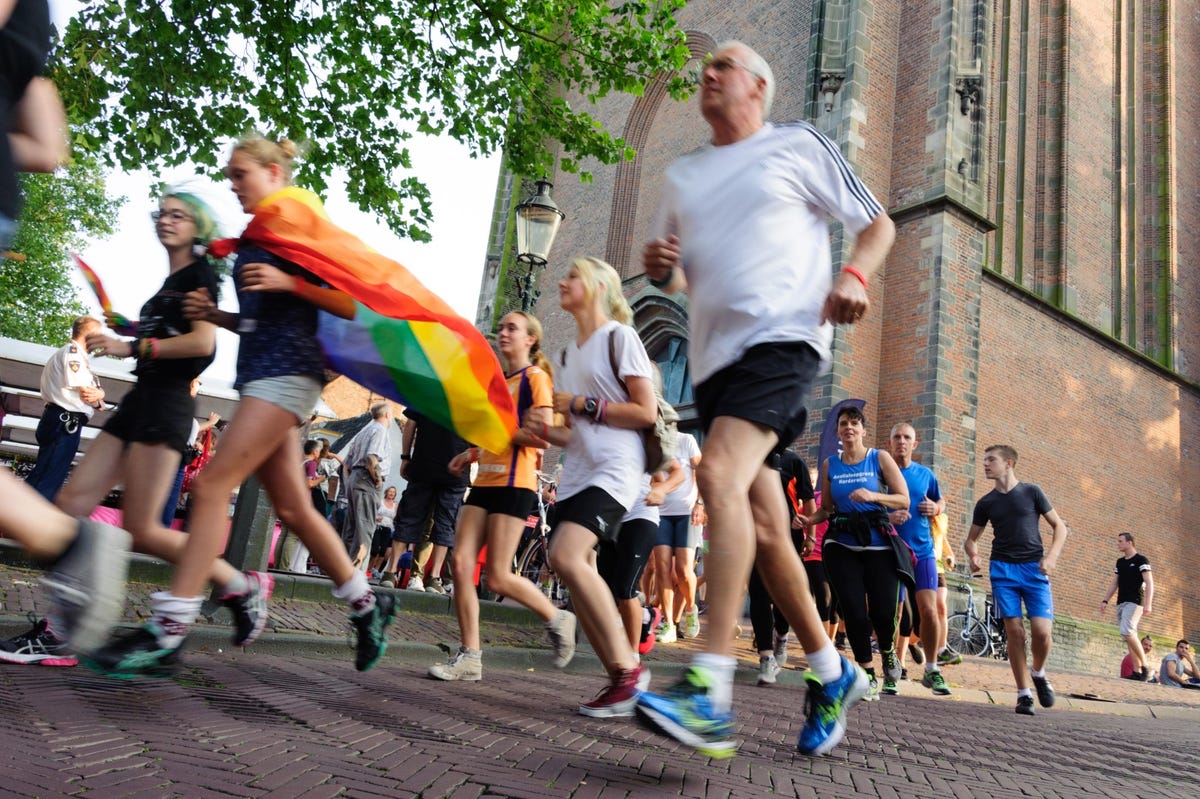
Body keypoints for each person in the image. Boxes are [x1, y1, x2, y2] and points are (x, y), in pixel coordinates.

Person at [636, 39, 895, 758]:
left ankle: (709, 693)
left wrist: (855, 277)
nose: (706, 73)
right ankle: (831, 669)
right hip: (717, 365)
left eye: (722, 65)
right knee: (766, 522)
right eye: (705, 68)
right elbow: (686, 279)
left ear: (758, 86)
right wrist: (666, 271)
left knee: (714, 475)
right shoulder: (684, 175)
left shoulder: (797, 145)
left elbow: (878, 224)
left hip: (783, 343)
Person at [85, 136, 396, 678]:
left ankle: (171, 627)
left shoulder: (296, 222)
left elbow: (352, 301)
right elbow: (263, 320)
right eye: (228, 175)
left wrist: (287, 279)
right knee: (296, 509)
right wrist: (220, 315)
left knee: (208, 487)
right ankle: (368, 604)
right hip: (261, 375)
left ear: (274, 171)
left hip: (286, 378)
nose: (232, 184)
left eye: (239, 174)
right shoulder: (258, 236)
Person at [521, 256, 658, 717]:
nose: (562, 281)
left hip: (617, 468)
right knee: (575, 574)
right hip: (577, 470)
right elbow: (569, 432)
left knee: (564, 554)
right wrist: (540, 428)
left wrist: (581, 402)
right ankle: (618, 679)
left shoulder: (621, 338)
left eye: (573, 275)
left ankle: (629, 669)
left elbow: (644, 412)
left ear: (600, 286)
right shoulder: (563, 354)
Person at [427, 311, 575, 682]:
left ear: (531, 339)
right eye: (503, 326)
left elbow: (540, 437)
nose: (503, 332)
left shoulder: (535, 378)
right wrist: (472, 452)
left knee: (496, 577)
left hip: (516, 484)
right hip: (485, 484)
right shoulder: (497, 382)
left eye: (513, 328)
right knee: (460, 564)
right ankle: (470, 656)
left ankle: (558, 617)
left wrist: (502, 434)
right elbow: (497, 433)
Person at [804, 407, 910, 699]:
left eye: (854, 423)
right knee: (853, 610)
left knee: (884, 611)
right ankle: (867, 674)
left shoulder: (879, 458)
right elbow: (826, 508)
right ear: (838, 432)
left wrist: (874, 495)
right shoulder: (830, 465)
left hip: (878, 544)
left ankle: (888, 650)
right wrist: (809, 520)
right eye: (843, 424)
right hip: (841, 544)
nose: (848, 428)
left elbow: (903, 498)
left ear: (863, 430)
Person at [964, 444, 1069, 715]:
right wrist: (973, 556)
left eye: (991, 460)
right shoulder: (985, 503)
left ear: (1009, 463)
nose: (985, 464)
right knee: (1014, 631)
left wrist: (1052, 557)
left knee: (1042, 633)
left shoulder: (1032, 492)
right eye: (984, 460)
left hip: (1035, 569)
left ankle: (1038, 671)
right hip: (1002, 570)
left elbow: (1060, 527)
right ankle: (1024, 694)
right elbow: (971, 540)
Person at [886, 422, 950, 695]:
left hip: (923, 552)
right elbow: (867, 506)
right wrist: (888, 517)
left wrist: (936, 507)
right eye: (897, 437)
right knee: (893, 613)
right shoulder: (881, 474)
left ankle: (932, 669)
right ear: (890, 443)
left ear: (915, 444)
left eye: (907, 437)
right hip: (890, 550)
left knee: (930, 609)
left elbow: (941, 500)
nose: (901, 441)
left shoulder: (925, 474)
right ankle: (892, 668)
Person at [382, 410, 468, 593]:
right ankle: (434, 578)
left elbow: (410, 423)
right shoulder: (475, 395)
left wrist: (405, 457)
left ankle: (390, 572)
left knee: (409, 517)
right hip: (455, 470)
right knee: (446, 523)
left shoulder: (430, 386)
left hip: (424, 464)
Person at [750, 448, 815, 686]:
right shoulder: (750, 455)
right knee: (758, 591)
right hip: (755, 533)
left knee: (781, 595)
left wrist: (811, 536)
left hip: (788, 536)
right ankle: (766, 656)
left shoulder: (794, 461)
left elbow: (808, 500)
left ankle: (782, 637)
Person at [24, 316, 106, 500]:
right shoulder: (73, 354)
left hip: (64, 420)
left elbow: (97, 399)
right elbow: (87, 393)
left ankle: (22, 522)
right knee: (46, 480)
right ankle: (20, 524)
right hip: (64, 420)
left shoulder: (76, 355)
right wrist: (100, 396)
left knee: (49, 477)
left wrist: (99, 396)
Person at [651, 431, 703, 644]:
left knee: (683, 570)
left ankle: (691, 609)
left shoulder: (686, 440)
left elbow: (701, 472)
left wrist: (700, 503)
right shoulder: (651, 445)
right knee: (661, 568)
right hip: (661, 513)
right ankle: (669, 625)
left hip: (687, 511)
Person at [339, 402, 394, 571]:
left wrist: (349, 482)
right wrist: (377, 479)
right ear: (386, 415)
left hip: (356, 477)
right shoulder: (380, 430)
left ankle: (342, 567)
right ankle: (354, 571)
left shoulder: (363, 431)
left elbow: (345, 464)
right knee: (365, 526)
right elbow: (372, 457)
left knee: (351, 526)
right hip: (367, 479)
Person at [160, 379, 220, 527]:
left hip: (178, 460)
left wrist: (210, 424)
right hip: (172, 458)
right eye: (198, 382)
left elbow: (193, 428)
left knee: (167, 507)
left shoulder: (181, 406)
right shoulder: (177, 405)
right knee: (165, 507)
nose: (198, 386)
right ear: (191, 384)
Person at [1099, 532, 1154, 681]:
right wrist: (1105, 600)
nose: (1118, 544)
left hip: (1135, 601)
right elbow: (1114, 583)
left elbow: (1149, 582)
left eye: (1120, 541)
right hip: (1121, 602)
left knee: (1127, 630)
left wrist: (1148, 604)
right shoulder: (1120, 562)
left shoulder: (1141, 560)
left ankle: (1146, 667)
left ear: (1130, 543)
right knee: (1128, 636)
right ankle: (1137, 671)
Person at [929, 511, 960, 666]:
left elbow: (942, 537)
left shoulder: (942, 517)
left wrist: (950, 555)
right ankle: (911, 643)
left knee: (941, 606)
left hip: (938, 569)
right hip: (922, 565)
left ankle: (942, 650)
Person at [368, 485, 399, 577]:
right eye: (390, 491)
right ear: (386, 492)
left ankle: (376, 570)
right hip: (378, 527)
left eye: (393, 492)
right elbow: (372, 512)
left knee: (383, 551)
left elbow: (396, 518)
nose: (391, 493)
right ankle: (368, 568)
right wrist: (375, 518)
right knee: (375, 550)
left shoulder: (395, 505)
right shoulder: (380, 502)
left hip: (388, 528)